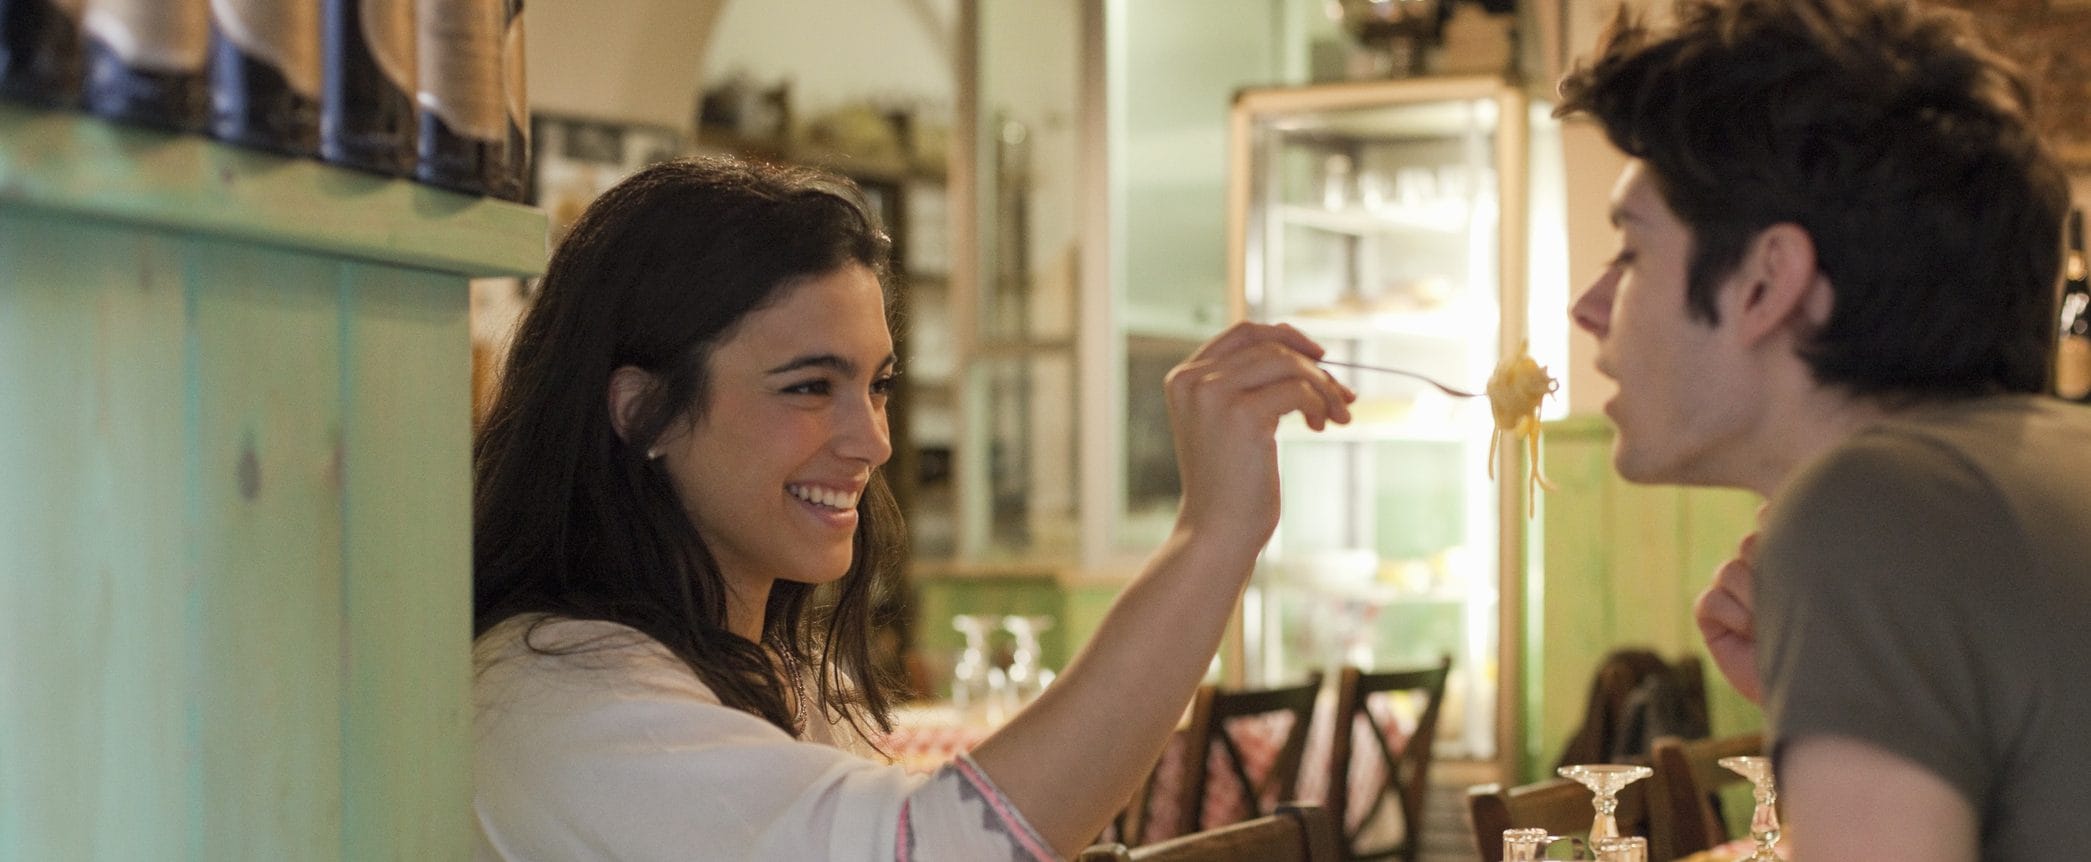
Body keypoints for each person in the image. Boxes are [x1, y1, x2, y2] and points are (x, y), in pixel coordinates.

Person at [469, 155, 1355, 860]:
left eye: (878, 384)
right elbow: (932, 847)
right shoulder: (558, 696)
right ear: (640, 410)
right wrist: (1213, 535)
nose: (872, 441)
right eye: (811, 386)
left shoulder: (770, 663)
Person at [1555, 0, 2091, 858]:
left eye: (1631, 251)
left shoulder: (1866, 506)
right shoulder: (2043, 471)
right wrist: (1844, 696)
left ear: (1768, 283)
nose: (1586, 308)